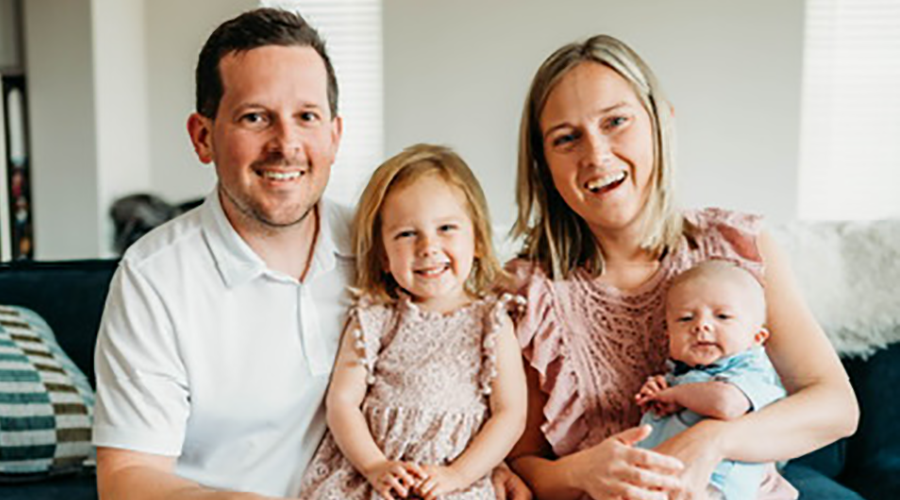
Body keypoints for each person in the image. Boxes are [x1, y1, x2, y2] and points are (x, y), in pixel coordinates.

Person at [92, 9, 530, 500]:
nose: (286, 145)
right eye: (255, 117)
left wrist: (486, 468)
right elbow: (126, 478)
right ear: (202, 136)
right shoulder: (155, 278)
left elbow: (461, 360)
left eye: (307, 117)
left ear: (334, 135)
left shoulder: (385, 243)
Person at [506, 34, 859, 500]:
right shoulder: (526, 293)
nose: (596, 155)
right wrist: (581, 472)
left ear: (660, 122)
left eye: (615, 122)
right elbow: (518, 463)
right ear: (542, 162)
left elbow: (836, 406)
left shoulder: (738, 247)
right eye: (566, 138)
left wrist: (712, 439)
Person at [298, 144, 528, 500]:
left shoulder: (493, 323)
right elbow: (342, 402)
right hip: (376, 474)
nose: (428, 247)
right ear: (384, 257)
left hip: (451, 478)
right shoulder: (376, 317)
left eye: (446, 228)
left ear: (478, 240)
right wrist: (374, 465)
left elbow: (509, 414)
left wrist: (459, 474)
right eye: (407, 234)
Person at [634, 260, 792, 500]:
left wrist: (676, 395)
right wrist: (658, 393)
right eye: (686, 318)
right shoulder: (681, 375)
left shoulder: (751, 370)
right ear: (668, 336)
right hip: (668, 481)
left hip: (718, 487)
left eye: (723, 316)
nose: (701, 325)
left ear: (756, 337)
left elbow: (725, 404)